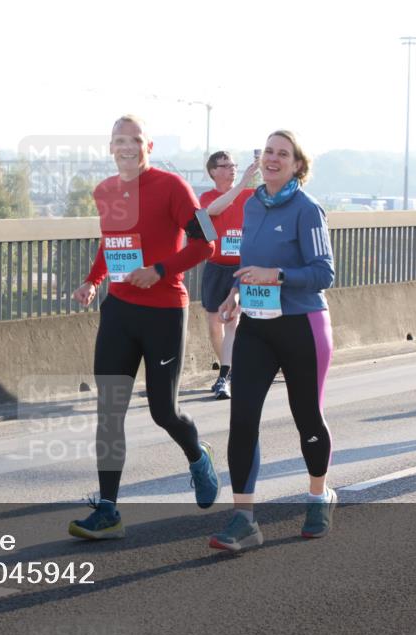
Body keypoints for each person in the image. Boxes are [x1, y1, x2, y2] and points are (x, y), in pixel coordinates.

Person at [67, 115, 219, 540]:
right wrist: (93, 281)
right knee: (108, 409)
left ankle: (197, 454)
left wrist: (160, 269)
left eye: (134, 140)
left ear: (147, 145)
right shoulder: (106, 191)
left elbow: (205, 243)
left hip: (164, 311)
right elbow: (111, 243)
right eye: (119, 141)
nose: (127, 147)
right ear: (110, 147)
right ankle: (109, 509)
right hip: (119, 310)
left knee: (162, 410)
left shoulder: (172, 187)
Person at [210, 129, 336, 552]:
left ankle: (318, 497)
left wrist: (278, 276)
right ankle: (243, 519)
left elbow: (324, 274)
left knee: (307, 417)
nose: (273, 158)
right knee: (242, 418)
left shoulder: (307, 209)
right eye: (268, 151)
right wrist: (234, 292)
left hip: (303, 325)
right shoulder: (252, 205)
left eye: (283, 154)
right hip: (257, 327)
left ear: (298, 165)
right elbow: (249, 261)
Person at [198, 151, 259, 399]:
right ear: (213, 171)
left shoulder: (250, 196)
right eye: (225, 166)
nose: (232, 169)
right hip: (215, 266)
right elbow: (212, 212)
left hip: (240, 268)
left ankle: (224, 375)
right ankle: (228, 369)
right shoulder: (206, 197)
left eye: (234, 165)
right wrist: (245, 180)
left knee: (232, 320)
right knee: (215, 324)